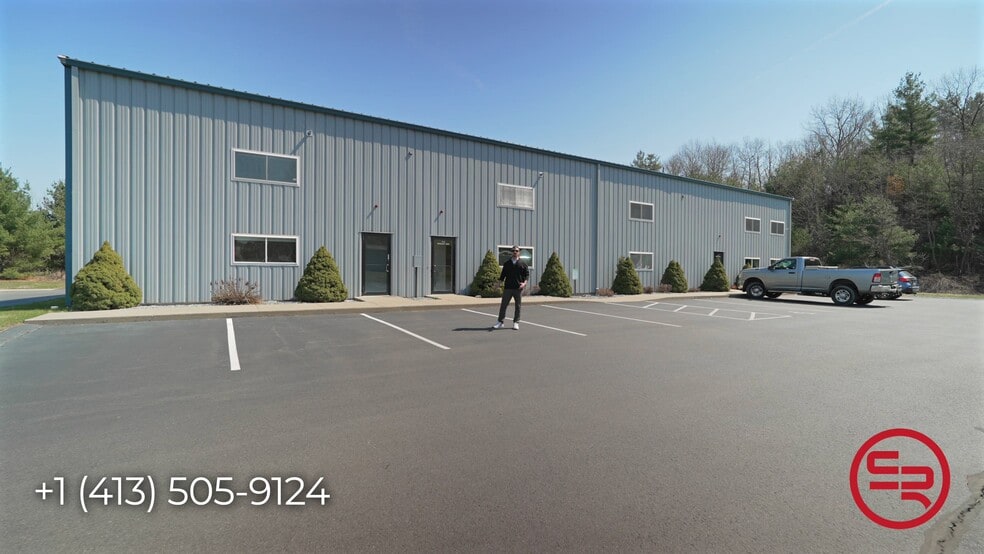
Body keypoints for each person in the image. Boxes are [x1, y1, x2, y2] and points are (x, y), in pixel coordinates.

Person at [493, 246, 529, 330]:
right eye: (513, 251)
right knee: (503, 305)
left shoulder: (523, 264)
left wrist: (524, 283)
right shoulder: (507, 264)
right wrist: (497, 285)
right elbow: (502, 276)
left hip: (518, 288)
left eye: (516, 251)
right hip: (508, 288)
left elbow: (527, 275)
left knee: (518, 306)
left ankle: (516, 322)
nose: (515, 252)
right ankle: (500, 322)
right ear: (511, 252)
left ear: (519, 252)